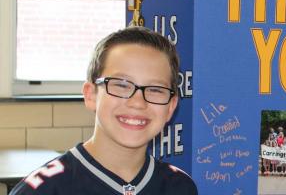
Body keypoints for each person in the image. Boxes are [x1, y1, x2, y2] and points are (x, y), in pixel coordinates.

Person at [10, 27, 197, 195]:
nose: (137, 102)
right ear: (91, 95)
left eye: (155, 90)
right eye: (121, 85)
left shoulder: (179, 186)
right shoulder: (43, 189)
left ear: (170, 107)